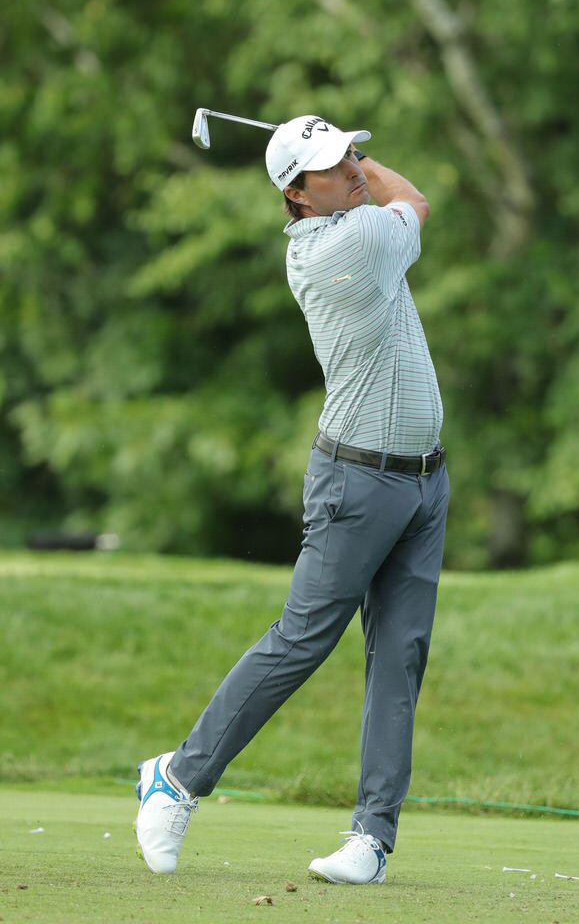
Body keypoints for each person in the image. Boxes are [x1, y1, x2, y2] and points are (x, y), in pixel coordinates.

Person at [135, 114, 448, 885]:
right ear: (297, 196)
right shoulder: (351, 243)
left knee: (399, 659)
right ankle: (176, 777)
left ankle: (371, 841)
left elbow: (386, 193)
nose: (352, 169)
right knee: (303, 639)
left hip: (423, 479)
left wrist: (334, 149)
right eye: (332, 165)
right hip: (357, 480)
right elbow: (415, 198)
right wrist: (363, 162)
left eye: (352, 154)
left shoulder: (345, 217)